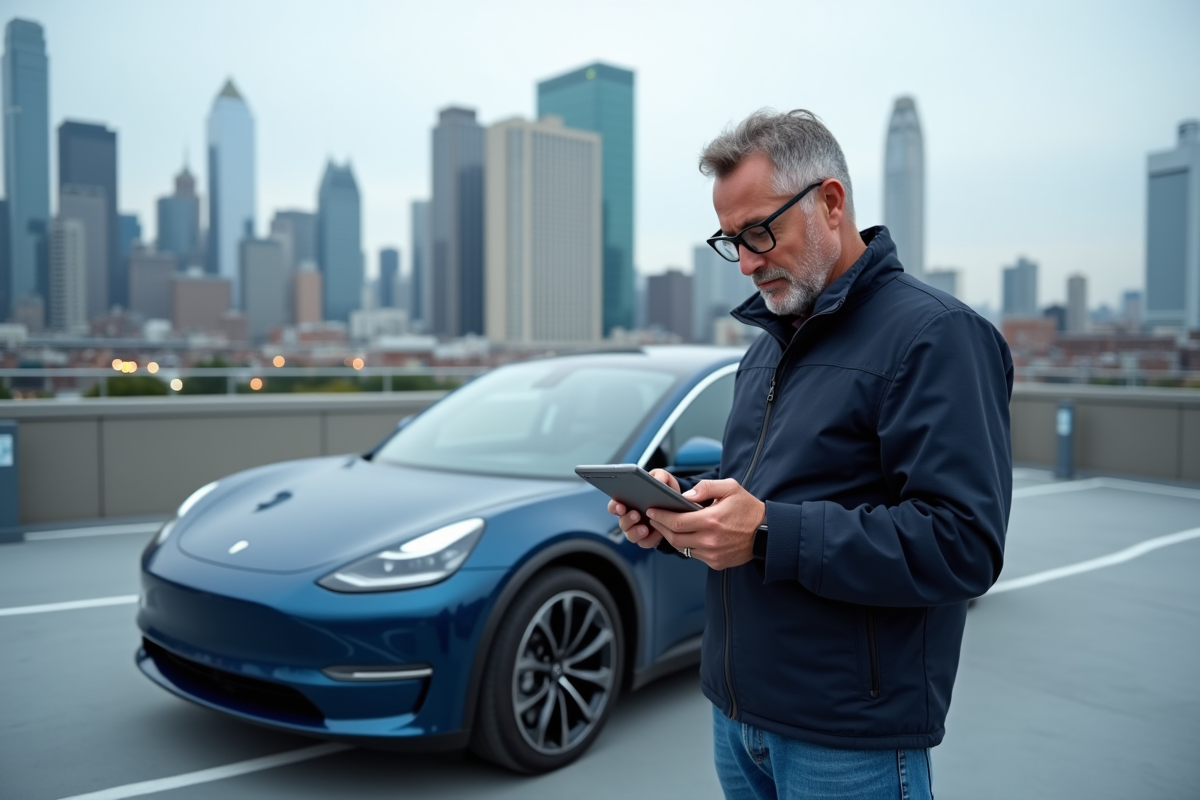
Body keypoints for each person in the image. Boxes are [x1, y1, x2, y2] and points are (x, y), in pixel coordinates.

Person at [609, 109, 1013, 800]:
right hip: (737, 719)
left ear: (831, 202)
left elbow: (963, 544)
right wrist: (682, 513)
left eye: (761, 230)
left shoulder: (937, 336)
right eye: (730, 241)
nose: (747, 261)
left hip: (847, 736)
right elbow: (768, 491)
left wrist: (764, 530)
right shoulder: (765, 348)